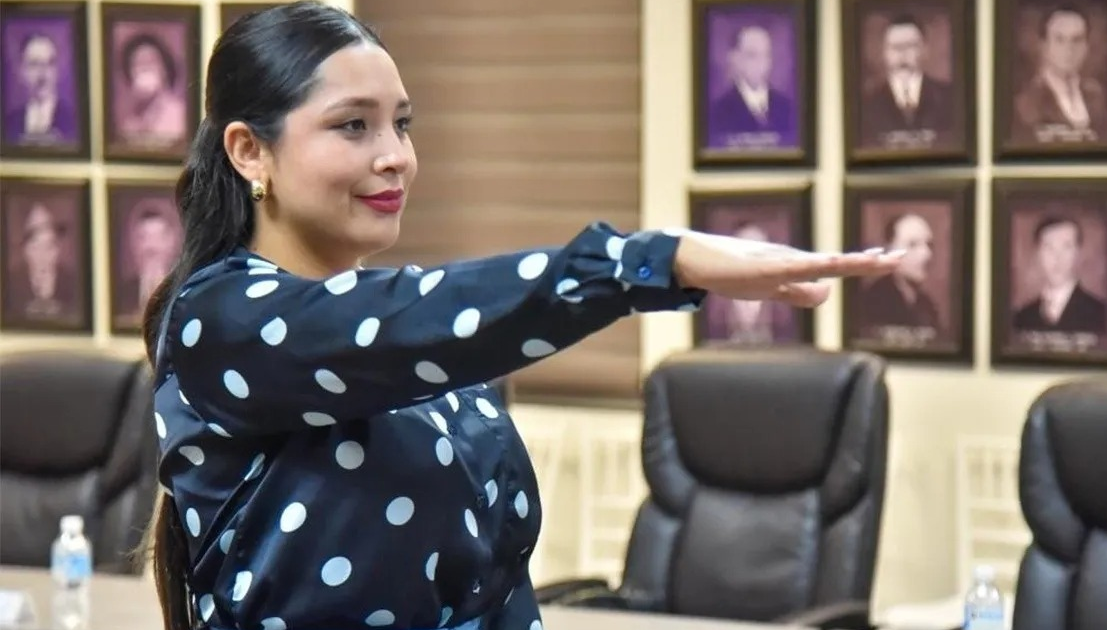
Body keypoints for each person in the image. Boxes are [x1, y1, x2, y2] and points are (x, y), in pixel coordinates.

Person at [137, 4, 904, 630]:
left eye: (402, 124)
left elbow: (499, 589)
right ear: (249, 152)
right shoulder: (220, 320)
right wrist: (647, 263)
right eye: (353, 125)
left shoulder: (424, 352)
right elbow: (402, 323)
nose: (396, 155)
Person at [1012, 4, 1107, 144]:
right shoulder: (1027, 103)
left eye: (1077, 40)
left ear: (1086, 47)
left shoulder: (1097, 96)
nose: (1069, 49)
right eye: (1060, 39)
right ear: (1044, 45)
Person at [859, 14, 954, 147]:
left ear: (924, 49)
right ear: (884, 52)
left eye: (910, 46)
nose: (902, 54)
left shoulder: (949, 97)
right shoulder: (866, 104)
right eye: (895, 47)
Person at [703, 220, 799, 344]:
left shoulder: (785, 306)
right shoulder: (713, 302)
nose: (752, 256)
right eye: (745, 248)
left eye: (759, 248)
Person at [1011, 214, 1106, 334]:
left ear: (1078, 253)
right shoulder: (1021, 319)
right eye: (1049, 248)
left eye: (1066, 247)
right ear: (1037, 253)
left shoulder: (1102, 314)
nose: (1058, 258)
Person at [708, 23, 797, 147]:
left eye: (766, 55)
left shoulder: (788, 108)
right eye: (752, 55)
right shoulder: (717, 112)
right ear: (735, 59)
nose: (761, 63)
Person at [859, 212, 941, 333]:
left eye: (929, 245)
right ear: (890, 250)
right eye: (912, 245)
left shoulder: (927, 306)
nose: (927, 254)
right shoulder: (873, 301)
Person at [115, 197, 183, 328]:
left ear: (172, 242)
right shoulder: (120, 294)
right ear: (134, 243)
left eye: (159, 237)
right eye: (144, 238)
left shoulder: (185, 291)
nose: (151, 247)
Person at [6, 202, 79, 320]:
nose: (43, 257)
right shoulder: (9, 284)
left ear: (58, 250)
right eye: (36, 247)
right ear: (25, 250)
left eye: (49, 246)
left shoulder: (73, 284)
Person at [3, 32, 77, 145]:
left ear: (56, 70)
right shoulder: (9, 122)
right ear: (21, 71)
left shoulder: (73, 119)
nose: (43, 75)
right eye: (34, 64)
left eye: (49, 63)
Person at [116, 32, 187, 146]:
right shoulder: (129, 123)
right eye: (137, 64)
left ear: (164, 69)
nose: (144, 70)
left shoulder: (180, 115)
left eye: (150, 62)